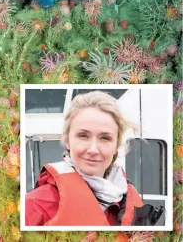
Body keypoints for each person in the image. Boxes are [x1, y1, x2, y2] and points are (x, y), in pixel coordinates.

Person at [25, 91, 165, 226]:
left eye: (105, 138)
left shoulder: (131, 203)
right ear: (67, 140)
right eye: (83, 136)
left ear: (117, 145)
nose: (93, 150)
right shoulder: (35, 205)